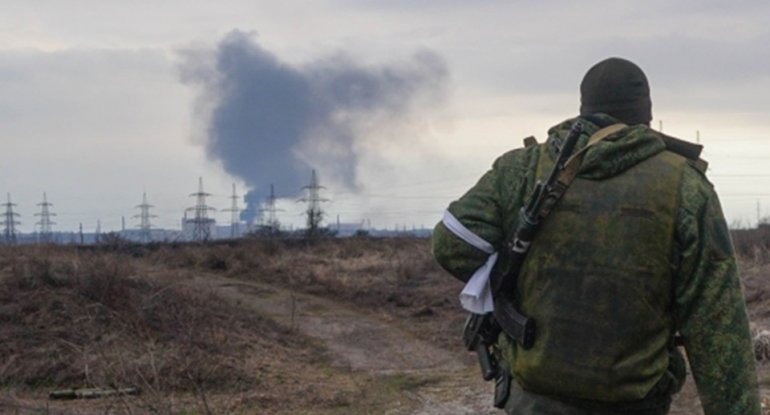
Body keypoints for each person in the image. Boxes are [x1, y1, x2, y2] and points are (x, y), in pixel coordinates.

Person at [432, 57, 761, 414]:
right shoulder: (685, 186)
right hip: (634, 404)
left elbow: (452, 243)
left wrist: (509, 282)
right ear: (646, 114)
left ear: (584, 106)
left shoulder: (523, 168)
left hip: (532, 401)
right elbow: (717, 324)